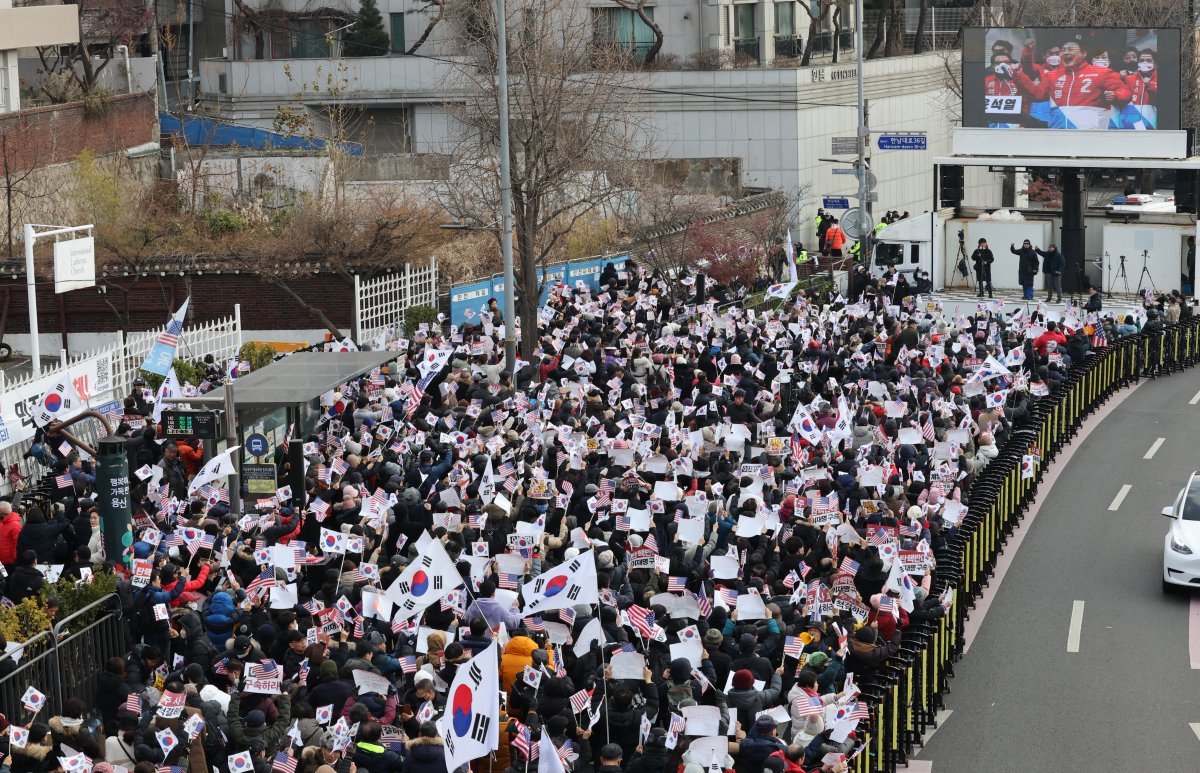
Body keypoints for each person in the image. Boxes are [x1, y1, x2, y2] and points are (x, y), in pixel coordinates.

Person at [1012, 38, 1131, 130]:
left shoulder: (1102, 72)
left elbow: (1125, 92)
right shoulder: (1052, 75)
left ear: (1083, 53)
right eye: (1063, 50)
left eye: (1071, 49)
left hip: (1091, 134)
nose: (1066, 52)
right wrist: (1018, 75)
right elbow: (1036, 94)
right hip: (1059, 133)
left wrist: (1116, 96)